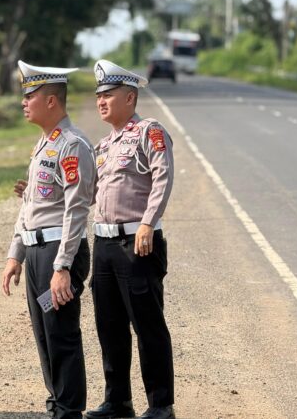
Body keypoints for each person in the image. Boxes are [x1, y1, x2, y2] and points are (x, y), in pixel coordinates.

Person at [1, 60, 96, 419]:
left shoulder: (73, 146)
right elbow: (31, 204)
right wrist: (16, 254)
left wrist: (63, 267)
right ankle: (57, 402)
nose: (24, 103)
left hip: (59, 253)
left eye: (31, 96)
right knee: (45, 332)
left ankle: (69, 410)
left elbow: (76, 210)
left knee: (61, 332)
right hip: (39, 253)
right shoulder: (44, 144)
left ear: (52, 101)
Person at [83, 60, 175, 419]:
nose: (101, 101)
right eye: (98, 96)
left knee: (147, 324)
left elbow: (162, 178)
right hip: (104, 244)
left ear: (130, 97)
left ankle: (160, 404)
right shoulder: (103, 146)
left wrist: (148, 224)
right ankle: (118, 400)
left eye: (108, 95)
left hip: (137, 243)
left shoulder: (149, 132)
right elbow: (88, 194)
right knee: (109, 325)